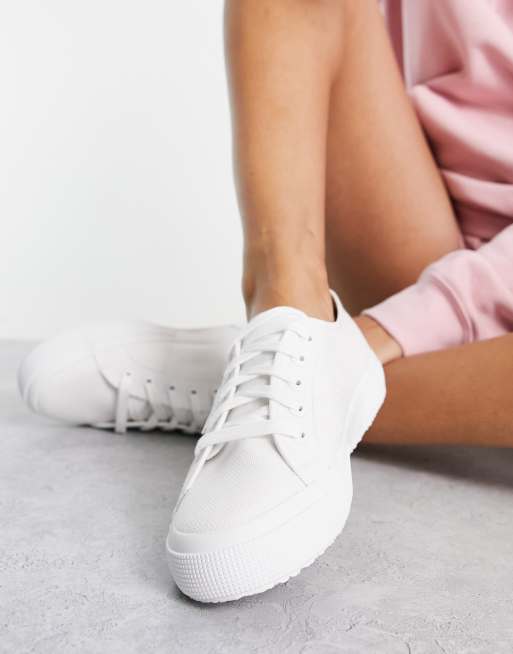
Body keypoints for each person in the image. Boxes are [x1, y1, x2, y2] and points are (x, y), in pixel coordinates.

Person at [18, 0, 513, 603]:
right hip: (412, 229)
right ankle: (289, 311)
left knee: (330, 367)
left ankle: (274, 380)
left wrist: (389, 329)